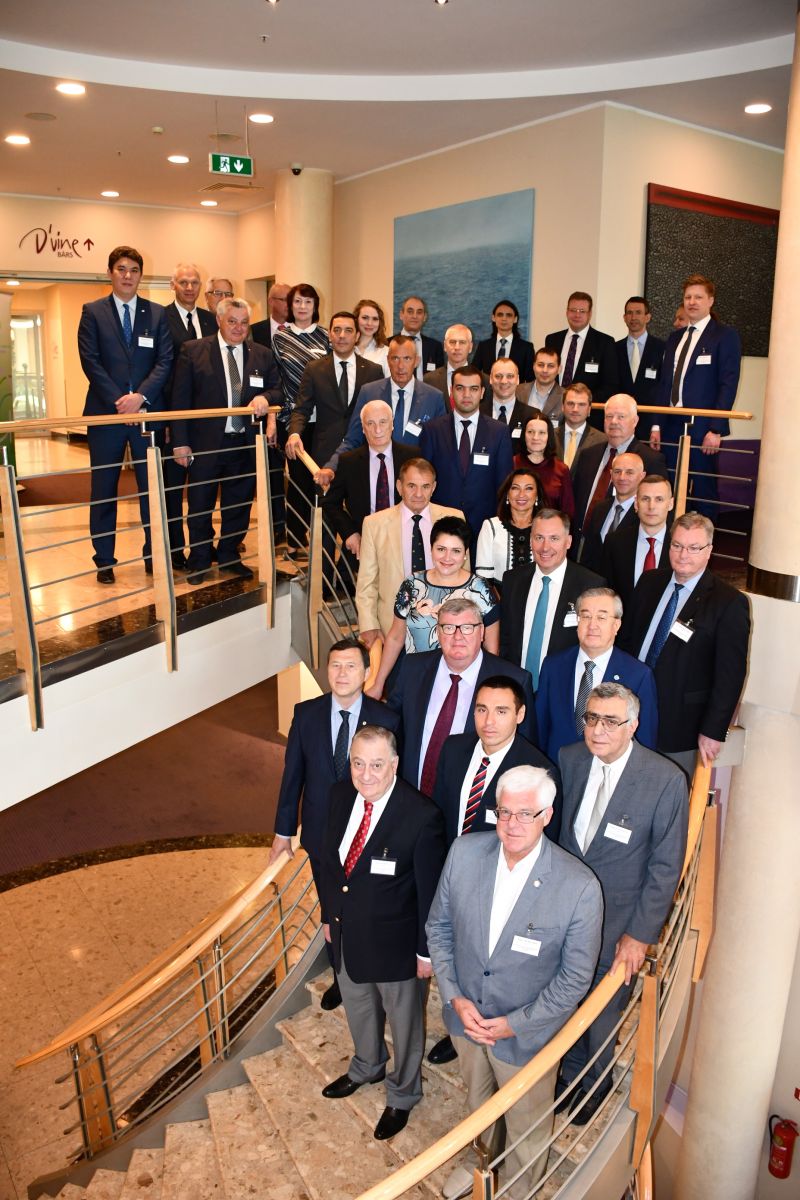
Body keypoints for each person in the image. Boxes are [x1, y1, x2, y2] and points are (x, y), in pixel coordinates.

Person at [426, 764, 603, 1198]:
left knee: (528, 1125)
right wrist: (454, 997)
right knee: (478, 1107)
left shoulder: (579, 887)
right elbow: (439, 930)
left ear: (547, 815)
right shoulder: (464, 853)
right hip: (466, 1022)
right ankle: (480, 1160)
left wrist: (515, 1023)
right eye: (504, 812)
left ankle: (525, 1186)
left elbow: (575, 980)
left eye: (526, 813)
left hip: (527, 1037)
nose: (512, 824)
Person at [557, 683, 688, 1123]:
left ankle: (595, 1085)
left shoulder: (665, 779)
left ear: (632, 725)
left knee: (603, 1016)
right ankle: (569, 1073)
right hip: (567, 920)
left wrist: (639, 936)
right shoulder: (570, 759)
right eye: (592, 718)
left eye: (611, 721)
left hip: (620, 927)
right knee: (568, 1003)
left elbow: (665, 869)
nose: (598, 730)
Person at [320, 725, 447, 1141]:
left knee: (405, 1025)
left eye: (376, 764)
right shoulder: (340, 796)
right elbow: (329, 864)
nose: (366, 774)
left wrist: (425, 952)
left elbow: (430, 892)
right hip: (346, 935)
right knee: (358, 1010)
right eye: (358, 763)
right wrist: (329, 916)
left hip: (397, 946)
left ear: (394, 764)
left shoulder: (421, 816)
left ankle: (404, 1093)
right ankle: (367, 1066)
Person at [271, 639, 400, 1011]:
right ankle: (342, 977)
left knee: (369, 907)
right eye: (335, 665)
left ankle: (372, 971)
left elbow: (394, 781)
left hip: (369, 835)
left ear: (366, 673)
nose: (342, 673)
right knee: (331, 909)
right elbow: (293, 775)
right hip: (321, 835)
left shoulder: (386, 719)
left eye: (351, 666)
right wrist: (283, 831)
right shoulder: (306, 713)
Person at [620, 512, 751, 776]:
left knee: (667, 795)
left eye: (693, 548)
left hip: (680, 727)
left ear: (709, 551)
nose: (683, 555)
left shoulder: (728, 603)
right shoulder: (649, 582)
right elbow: (627, 641)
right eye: (677, 545)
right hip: (628, 713)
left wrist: (713, 731)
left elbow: (731, 675)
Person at [77, 244, 173, 584]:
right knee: (104, 489)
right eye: (121, 269)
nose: (127, 275)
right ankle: (104, 560)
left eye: (134, 270)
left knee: (151, 490)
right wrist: (121, 400)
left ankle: (153, 555)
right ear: (110, 273)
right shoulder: (93, 312)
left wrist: (140, 397)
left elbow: (165, 360)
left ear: (141, 275)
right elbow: (90, 360)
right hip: (106, 415)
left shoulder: (157, 314)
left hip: (148, 413)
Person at [169, 296, 279, 584]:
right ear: (218, 320)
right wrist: (180, 441)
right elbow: (179, 399)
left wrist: (264, 397)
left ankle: (229, 555)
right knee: (200, 505)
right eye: (232, 321)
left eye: (244, 322)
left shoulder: (262, 354)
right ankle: (200, 561)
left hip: (244, 443)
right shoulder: (193, 351)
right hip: (204, 445)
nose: (239, 328)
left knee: (238, 505)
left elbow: (277, 390)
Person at [387, 597, 537, 794]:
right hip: (411, 795)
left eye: (467, 628)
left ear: (481, 632)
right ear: (438, 632)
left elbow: (525, 749)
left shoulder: (514, 679)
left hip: (473, 799)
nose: (457, 637)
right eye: (448, 628)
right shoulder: (412, 668)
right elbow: (391, 725)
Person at [366, 515, 499, 697]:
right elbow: (396, 637)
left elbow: (492, 649)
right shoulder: (412, 584)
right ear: (431, 549)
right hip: (415, 679)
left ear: (466, 553)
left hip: (463, 683)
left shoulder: (480, 589)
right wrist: (378, 682)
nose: (447, 557)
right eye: (441, 549)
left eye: (456, 551)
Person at [535, 587, 658, 763]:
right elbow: (540, 726)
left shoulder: (638, 675)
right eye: (585, 616)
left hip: (607, 771)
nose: (592, 625)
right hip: (556, 766)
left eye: (601, 618)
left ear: (616, 625)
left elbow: (644, 741)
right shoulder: (553, 666)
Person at [653, 273, 742, 512]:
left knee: (704, 491)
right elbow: (664, 384)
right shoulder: (675, 338)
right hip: (671, 425)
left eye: (698, 297)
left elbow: (728, 384)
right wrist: (656, 425)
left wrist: (716, 429)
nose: (692, 302)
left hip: (703, 428)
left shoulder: (725, 336)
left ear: (710, 301)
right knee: (668, 489)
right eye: (688, 297)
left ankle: (706, 537)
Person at [356, 458, 464, 649]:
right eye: (411, 486)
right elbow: (367, 583)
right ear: (399, 486)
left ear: (434, 487)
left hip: (445, 627)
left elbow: (464, 576)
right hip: (392, 629)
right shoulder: (374, 524)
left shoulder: (454, 518)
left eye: (425, 486)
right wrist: (369, 625)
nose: (418, 494)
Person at [499, 509, 604, 688]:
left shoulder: (591, 585)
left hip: (563, 688)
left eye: (554, 538)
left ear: (568, 542)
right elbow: (506, 638)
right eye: (539, 537)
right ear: (531, 540)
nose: (545, 547)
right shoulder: (512, 580)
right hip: (516, 686)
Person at [419, 364, 514, 556]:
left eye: (473, 389)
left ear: (482, 392)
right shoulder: (432, 430)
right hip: (441, 527)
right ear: (451, 391)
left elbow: (504, 485)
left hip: (484, 528)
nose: (466, 395)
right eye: (460, 388)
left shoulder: (499, 432)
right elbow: (424, 480)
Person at [322, 334, 444, 478]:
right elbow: (352, 439)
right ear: (388, 360)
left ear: (416, 361)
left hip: (416, 480)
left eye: (407, 358)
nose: (400, 366)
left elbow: (440, 447)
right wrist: (331, 466)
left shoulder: (434, 398)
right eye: (395, 358)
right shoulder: (369, 392)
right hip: (377, 476)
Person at [161, 262, 217, 572]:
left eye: (194, 282)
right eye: (183, 282)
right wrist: (171, 422)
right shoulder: (161, 318)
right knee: (173, 491)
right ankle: (174, 550)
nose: (189, 287)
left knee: (203, 491)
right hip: (175, 420)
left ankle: (203, 547)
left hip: (207, 425)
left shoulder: (211, 320)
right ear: (173, 285)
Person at [321, 400, 416, 581]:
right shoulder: (349, 461)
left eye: (383, 422)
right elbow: (330, 503)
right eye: (370, 424)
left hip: (405, 542)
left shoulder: (412, 457)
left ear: (392, 424)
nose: (377, 429)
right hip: (365, 544)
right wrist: (349, 533)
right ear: (363, 429)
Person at [272, 283, 331, 557]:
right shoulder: (280, 338)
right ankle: (295, 540)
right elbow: (277, 381)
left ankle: (321, 538)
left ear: (315, 305)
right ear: (290, 305)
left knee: (320, 479)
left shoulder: (326, 336)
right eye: (297, 301)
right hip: (293, 420)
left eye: (308, 302)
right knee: (297, 482)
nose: (302, 307)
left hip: (323, 420)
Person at [284, 311, 383, 473]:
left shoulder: (373, 371)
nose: (342, 335)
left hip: (362, 452)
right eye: (337, 330)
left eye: (348, 330)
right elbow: (302, 409)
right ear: (329, 335)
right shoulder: (314, 369)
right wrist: (294, 433)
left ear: (357, 336)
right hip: (324, 453)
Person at [571, 393, 667, 539]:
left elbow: (658, 510)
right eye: (609, 416)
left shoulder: (650, 460)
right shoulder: (588, 455)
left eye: (621, 417)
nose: (614, 422)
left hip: (623, 542)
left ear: (635, 421)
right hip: (582, 542)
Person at [602, 474, 674, 613]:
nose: (651, 506)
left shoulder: (681, 546)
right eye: (645, 499)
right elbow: (606, 591)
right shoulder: (614, 542)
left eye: (659, 499)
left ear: (670, 504)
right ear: (636, 503)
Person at [545, 291, 618, 421]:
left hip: (588, 416)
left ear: (590, 314)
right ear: (567, 312)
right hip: (554, 414)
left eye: (582, 311)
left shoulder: (605, 342)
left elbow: (610, 384)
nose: (577, 315)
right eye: (573, 310)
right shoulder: (552, 340)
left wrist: (581, 403)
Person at [575, 451, 646, 572]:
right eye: (617, 471)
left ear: (642, 476)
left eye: (629, 472)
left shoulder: (645, 514)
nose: (622, 477)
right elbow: (588, 553)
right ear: (611, 474)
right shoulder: (599, 508)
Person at [474, 468, 539, 590]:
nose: (521, 494)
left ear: (537, 495)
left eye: (529, 488)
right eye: (515, 488)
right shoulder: (491, 526)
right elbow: (483, 578)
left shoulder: (546, 527)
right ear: (507, 494)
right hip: (499, 597)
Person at [614, 296, 665, 443]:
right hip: (620, 421)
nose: (633, 317)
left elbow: (663, 387)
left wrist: (657, 425)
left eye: (638, 312)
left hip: (649, 422)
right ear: (624, 317)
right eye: (629, 313)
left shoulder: (662, 348)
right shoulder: (614, 348)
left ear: (647, 317)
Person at [515, 408, 575, 517]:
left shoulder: (561, 469)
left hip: (550, 527)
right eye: (530, 432)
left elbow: (567, 512)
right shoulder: (512, 464)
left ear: (549, 436)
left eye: (541, 433)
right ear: (524, 434)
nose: (535, 437)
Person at [471, 299, 534, 382]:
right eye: (500, 315)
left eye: (509, 315)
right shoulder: (484, 346)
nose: (504, 318)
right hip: (489, 390)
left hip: (516, 390)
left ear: (515, 319)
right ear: (493, 318)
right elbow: (473, 373)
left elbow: (530, 380)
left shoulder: (526, 348)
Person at [424, 324, 489, 405]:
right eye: (452, 342)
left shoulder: (485, 380)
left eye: (462, 342)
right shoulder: (429, 380)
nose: (457, 347)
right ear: (445, 346)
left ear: (470, 347)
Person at [480, 357, 534, 446]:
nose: (504, 381)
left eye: (510, 376)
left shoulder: (531, 415)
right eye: (498, 376)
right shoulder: (477, 412)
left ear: (518, 379)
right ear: (490, 379)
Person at [554, 382, 607, 473]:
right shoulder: (549, 435)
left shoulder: (602, 440)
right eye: (570, 403)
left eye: (581, 404)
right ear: (562, 407)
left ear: (589, 409)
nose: (575, 409)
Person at [397, 294, 444, 378]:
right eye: (410, 311)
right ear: (401, 315)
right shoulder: (387, 344)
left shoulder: (435, 347)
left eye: (419, 312)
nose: (414, 316)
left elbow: (439, 378)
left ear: (424, 317)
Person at [516, 346, 564, 419]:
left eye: (550, 366)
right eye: (540, 365)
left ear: (559, 369)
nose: (545, 370)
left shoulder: (565, 396)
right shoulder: (517, 390)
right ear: (533, 366)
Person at [353, 297, 391, 375]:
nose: (370, 323)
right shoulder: (346, 349)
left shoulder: (386, 352)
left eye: (375, 319)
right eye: (365, 318)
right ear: (356, 319)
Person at [250, 281, 291, 348]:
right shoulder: (254, 331)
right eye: (285, 300)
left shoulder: (301, 329)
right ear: (271, 302)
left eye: (292, 300)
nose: (290, 304)